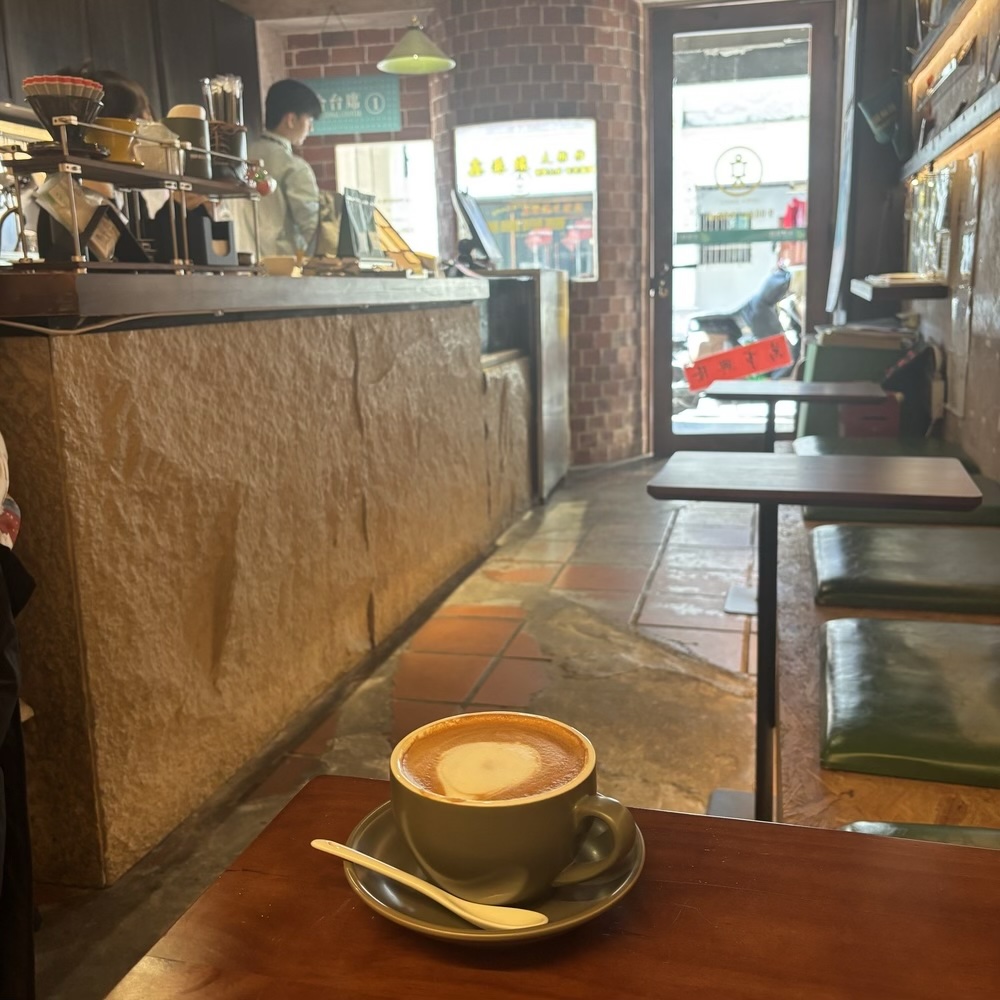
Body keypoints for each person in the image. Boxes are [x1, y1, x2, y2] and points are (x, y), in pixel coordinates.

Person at [245, 79, 322, 258]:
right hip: (282, 265)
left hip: (240, 262)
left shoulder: (241, 158)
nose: (311, 128)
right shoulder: (293, 166)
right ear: (291, 120)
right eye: (309, 119)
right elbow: (313, 227)